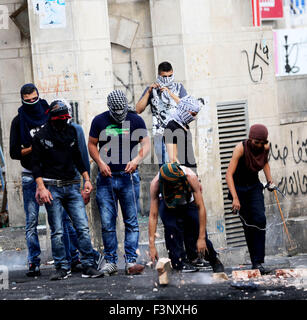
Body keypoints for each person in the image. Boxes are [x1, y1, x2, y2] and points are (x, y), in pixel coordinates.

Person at [32, 100, 104, 280]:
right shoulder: (41, 135)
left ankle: (88, 264)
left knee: (82, 227)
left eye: (65, 119)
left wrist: (86, 180)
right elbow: (35, 165)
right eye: (59, 120)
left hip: (72, 185)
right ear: (52, 118)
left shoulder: (71, 131)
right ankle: (62, 267)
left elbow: (78, 158)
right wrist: (41, 188)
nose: (62, 123)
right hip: (52, 187)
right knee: (57, 230)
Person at [88, 89, 150, 276]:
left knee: (131, 221)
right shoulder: (99, 121)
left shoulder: (136, 120)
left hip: (128, 178)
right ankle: (111, 262)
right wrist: (100, 163)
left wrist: (136, 161)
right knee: (107, 223)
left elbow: (146, 144)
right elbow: (92, 144)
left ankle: (131, 261)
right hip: (106, 179)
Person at [149, 163, 224, 273]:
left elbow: (201, 207)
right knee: (171, 230)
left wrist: (202, 238)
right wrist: (152, 245)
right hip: (168, 205)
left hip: (189, 203)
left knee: (197, 231)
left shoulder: (190, 177)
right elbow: (153, 215)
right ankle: (178, 264)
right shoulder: (156, 184)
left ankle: (214, 260)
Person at [9, 84, 50, 277]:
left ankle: (67, 259)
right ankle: (34, 262)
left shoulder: (48, 112)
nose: (33, 103)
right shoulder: (19, 121)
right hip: (29, 174)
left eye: (35, 99)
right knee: (31, 221)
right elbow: (15, 152)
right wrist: (36, 147)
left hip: (51, 172)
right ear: (22, 99)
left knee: (60, 219)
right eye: (28, 100)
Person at [226, 124, 274, 275]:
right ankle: (255, 262)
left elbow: (265, 162)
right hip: (239, 188)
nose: (259, 145)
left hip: (254, 186)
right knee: (249, 225)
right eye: (256, 142)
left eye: (262, 142)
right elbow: (229, 175)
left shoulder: (265, 147)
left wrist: (270, 181)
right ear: (250, 138)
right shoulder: (240, 148)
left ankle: (259, 261)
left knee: (260, 220)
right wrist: (235, 198)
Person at [136, 61, 187, 166]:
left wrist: (170, 94)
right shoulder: (152, 90)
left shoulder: (179, 87)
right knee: (165, 168)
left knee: (182, 167)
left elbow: (186, 107)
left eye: (170, 75)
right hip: (160, 134)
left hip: (178, 133)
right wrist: (149, 91)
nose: (168, 79)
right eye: (165, 76)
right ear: (159, 75)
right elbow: (138, 109)